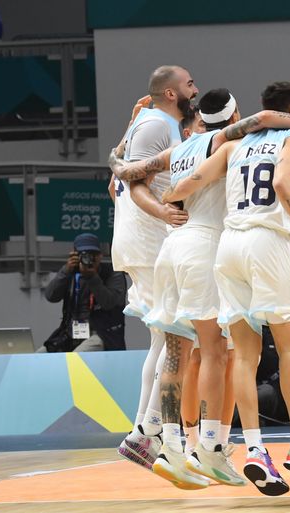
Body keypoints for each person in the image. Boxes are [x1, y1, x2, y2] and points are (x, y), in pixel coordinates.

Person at [112, 87, 290, 493]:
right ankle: (238, 443)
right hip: (228, 244)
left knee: (181, 349)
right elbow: (273, 138)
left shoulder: (189, 148)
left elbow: (136, 177)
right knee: (236, 351)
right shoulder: (231, 138)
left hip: (185, 246)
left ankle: (165, 436)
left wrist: (156, 189)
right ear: (235, 114)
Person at [112, 65, 197, 471]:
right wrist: (163, 213)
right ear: (169, 93)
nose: (194, 88)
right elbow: (128, 183)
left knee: (163, 340)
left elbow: (117, 177)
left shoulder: (152, 122)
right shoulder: (154, 123)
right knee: (171, 338)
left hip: (148, 241)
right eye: (188, 84)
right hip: (149, 242)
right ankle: (147, 433)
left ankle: (146, 431)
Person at [40, 233, 126, 352]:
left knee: (77, 358)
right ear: (75, 255)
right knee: (40, 355)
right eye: (83, 255)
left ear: (100, 256)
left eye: (93, 255)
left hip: (102, 334)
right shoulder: (70, 272)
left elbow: (109, 303)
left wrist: (92, 278)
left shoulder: (112, 273)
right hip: (70, 334)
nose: (88, 259)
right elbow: (51, 296)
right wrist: (65, 271)